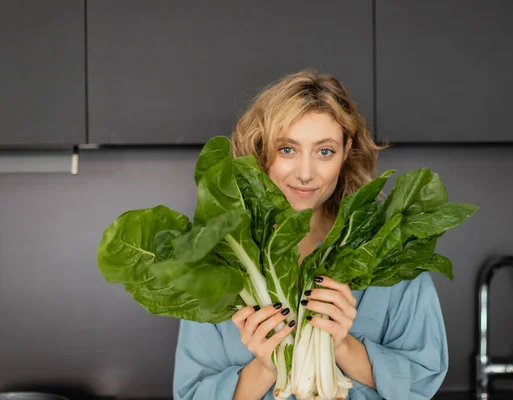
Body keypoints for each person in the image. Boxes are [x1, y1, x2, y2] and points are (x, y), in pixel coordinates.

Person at [172, 70, 448, 399]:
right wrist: (264, 368)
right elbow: (190, 394)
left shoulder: (391, 247)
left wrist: (344, 347)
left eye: (324, 152)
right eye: (287, 149)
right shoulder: (221, 257)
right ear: (261, 151)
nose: (305, 174)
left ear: (347, 151)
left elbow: (422, 381)